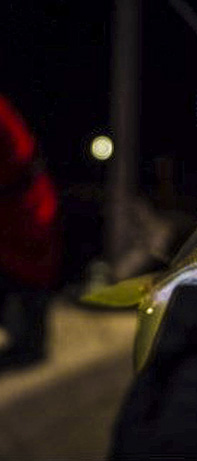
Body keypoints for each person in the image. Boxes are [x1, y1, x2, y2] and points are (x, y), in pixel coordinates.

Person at [0, 95, 62, 369]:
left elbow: (20, 157)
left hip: (25, 203)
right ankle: (27, 341)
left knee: (30, 275)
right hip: (14, 205)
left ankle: (31, 344)